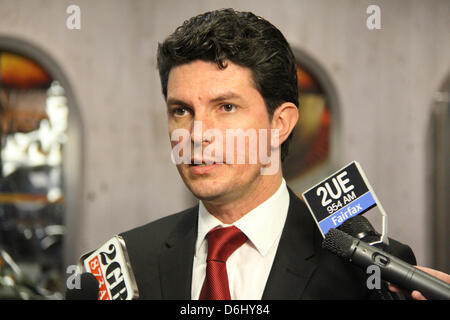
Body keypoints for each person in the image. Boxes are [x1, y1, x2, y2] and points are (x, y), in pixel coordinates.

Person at [117, 8, 440, 300]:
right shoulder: (126, 264)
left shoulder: (368, 274)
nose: (197, 134)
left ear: (281, 123)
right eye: (182, 110)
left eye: (226, 107)